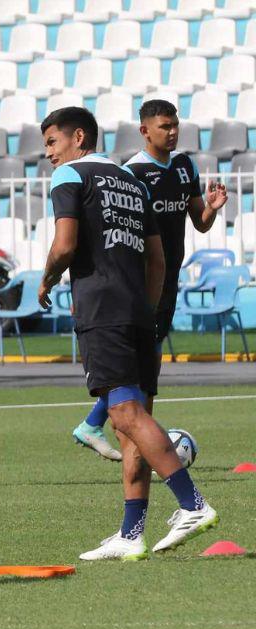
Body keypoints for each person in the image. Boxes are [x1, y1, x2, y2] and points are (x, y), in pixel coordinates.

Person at [37, 107, 218, 560]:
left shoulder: (70, 178)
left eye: (52, 144)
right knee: (129, 423)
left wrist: (47, 279)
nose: (49, 156)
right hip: (140, 311)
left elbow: (65, 244)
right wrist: (150, 308)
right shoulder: (132, 181)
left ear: (78, 138)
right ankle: (131, 533)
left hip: (103, 309)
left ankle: (193, 505)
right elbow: (157, 258)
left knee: (125, 417)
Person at [70, 99, 227, 461]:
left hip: (168, 276)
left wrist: (212, 210)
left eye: (175, 125)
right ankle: (138, 449)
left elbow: (199, 222)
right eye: (164, 127)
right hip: (138, 279)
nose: (172, 132)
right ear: (145, 131)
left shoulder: (185, 167)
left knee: (146, 363)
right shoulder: (132, 174)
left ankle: (98, 427)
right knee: (146, 364)